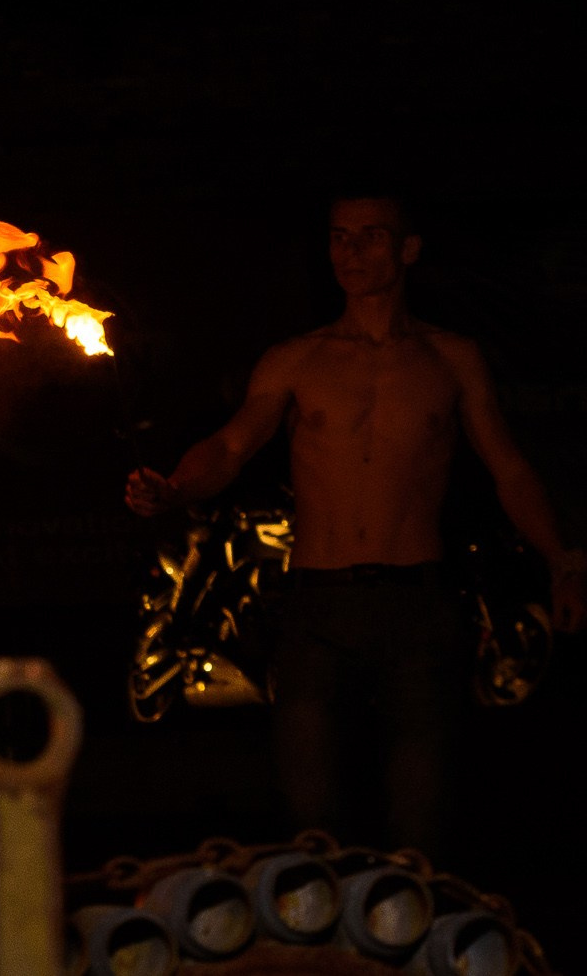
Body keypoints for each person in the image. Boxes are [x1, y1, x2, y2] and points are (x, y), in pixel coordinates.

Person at [124, 192, 583, 857]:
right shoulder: (296, 359)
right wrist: (173, 488)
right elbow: (229, 447)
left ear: (408, 249)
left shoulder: (451, 358)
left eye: (370, 237)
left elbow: (509, 468)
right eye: (339, 237)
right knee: (311, 822)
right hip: (319, 610)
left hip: (418, 607)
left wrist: (563, 560)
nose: (349, 252)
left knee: (420, 822)